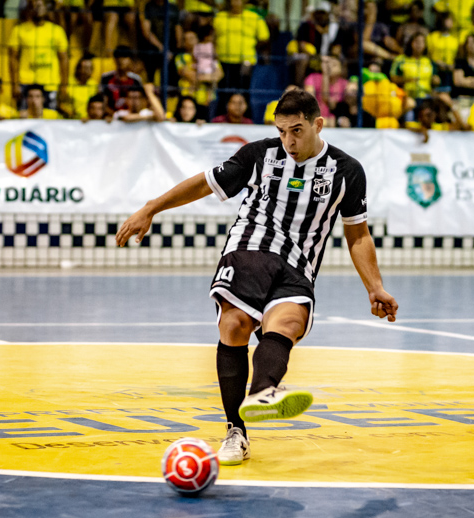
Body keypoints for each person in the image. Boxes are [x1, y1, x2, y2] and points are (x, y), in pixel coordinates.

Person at [115, 89, 398, 466]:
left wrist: (374, 286)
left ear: (318, 124)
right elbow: (204, 183)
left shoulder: (346, 171)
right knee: (235, 324)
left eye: (297, 131)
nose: (289, 141)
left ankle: (263, 394)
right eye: (282, 131)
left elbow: (357, 234)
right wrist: (151, 208)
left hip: (299, 263)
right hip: (251, 244)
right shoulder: (260, 155)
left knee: (289, 323)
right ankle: (236, 430)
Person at [8, 0, 69, 109]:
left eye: (41, 5)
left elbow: (64, 59)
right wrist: (14, 84)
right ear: (29, 8)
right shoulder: (19, 30)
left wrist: (64, 85)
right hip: (26, 82)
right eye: (35, 5)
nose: (37, 8)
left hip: (50, 84)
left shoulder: (57, 30)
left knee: (49, 120)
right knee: (24, 121)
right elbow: (13, 58)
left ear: (46, 8)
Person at [214, 0, 269, 107]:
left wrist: (251, 48)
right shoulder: (220, 17)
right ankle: (221, 118)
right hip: (223, 60)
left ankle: (245, 119)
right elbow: (212, 38)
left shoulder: (254, 17)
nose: (235, 3)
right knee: (223, 93)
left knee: (244, 92)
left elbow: (264, 38)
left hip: (245, 61)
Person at [390, 32, 439, 100]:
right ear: (410, 43)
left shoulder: (429, 61)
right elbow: (393, 78)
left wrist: (436, 81)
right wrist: (406, 80)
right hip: (405, 96)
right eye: (416, 41)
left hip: (426, 96)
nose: (419, 44)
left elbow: (436, 79)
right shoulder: (401, 60)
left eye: (422, 42)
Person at [100, 45, 144, 112]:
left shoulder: (136, 80)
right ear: (114, 59)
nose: (120, 60)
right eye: (118, 57)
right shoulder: (106, 78)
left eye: (124, 57)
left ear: (130, 60)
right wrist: (114, 116)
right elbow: (102, 102)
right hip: (111, 119)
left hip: (131, 118)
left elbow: (141, 102)